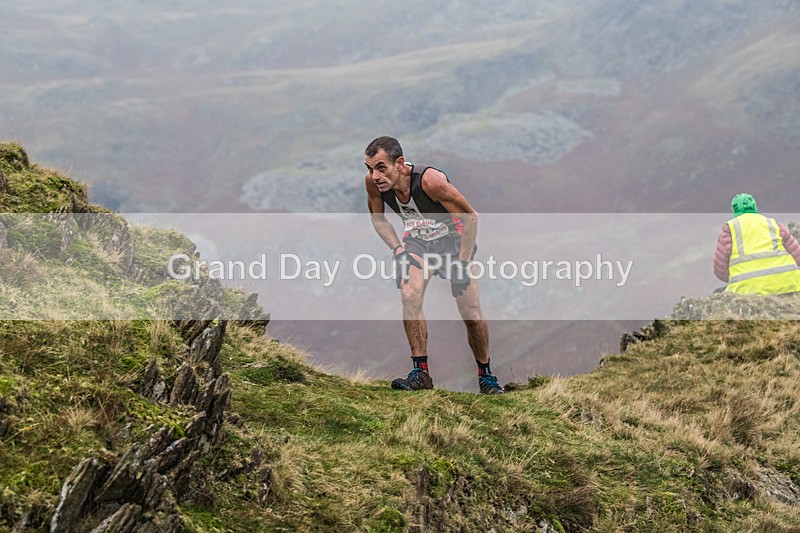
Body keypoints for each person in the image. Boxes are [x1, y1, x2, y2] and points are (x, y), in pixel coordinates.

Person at [364, 136, 504, 394]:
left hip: (454, 243)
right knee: (409, 294)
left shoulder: (430, 181)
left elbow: (470, 217)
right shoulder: (374, 183)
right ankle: (421, 374)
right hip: (418, 244)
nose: (374, 175)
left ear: (400, 163)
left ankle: (486, 377)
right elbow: (379, 219)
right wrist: (398, 251)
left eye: (381, 167)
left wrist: (462, 263)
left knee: (471, 314)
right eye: (369, 168)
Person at [713, 193, 800, 294]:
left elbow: (720, 270)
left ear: (734, 209)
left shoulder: (729, 229)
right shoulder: (773, 224)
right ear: (754, 206)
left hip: (748, 290)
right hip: (788, 285)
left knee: (718, 293)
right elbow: (797, 256)